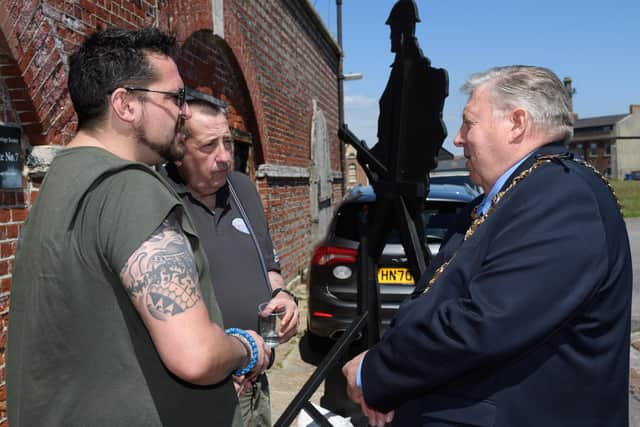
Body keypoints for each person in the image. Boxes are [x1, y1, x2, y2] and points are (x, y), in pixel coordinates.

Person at [6, 27, 270, 427]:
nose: (184, 111)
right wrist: (246, 346)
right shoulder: (131, 188)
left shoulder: (59, 182)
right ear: (125, 104)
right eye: (175, 97)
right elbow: (195, 355)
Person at [342, 65, 632, 426]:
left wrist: (375, 371)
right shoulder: (512, 196)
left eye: (469, 124)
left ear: (517, 123)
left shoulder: (561, 197)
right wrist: (391, 378)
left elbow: (483, 324)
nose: (459, 139)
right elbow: (433, 300)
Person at [161, 89, 300, 427]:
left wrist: (283, 295)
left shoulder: (243, 188)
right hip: (194, 397)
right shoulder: (157, 198)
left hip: (254, 383)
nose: (224, 157)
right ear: (178, 151)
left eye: (228, 143)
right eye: (209, 146)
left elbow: (268, 265)